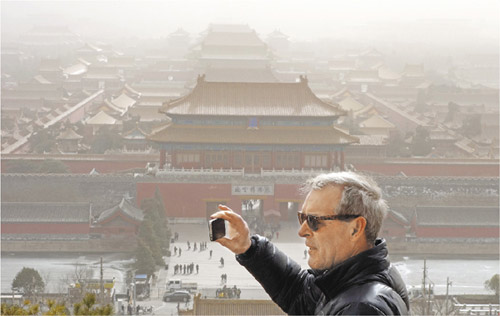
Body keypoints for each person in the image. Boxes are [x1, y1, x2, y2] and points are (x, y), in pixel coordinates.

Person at [212, 171, 409, 315]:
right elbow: (299, 293)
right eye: (302, 218)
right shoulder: (351, 280)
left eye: (314, 221)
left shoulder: (361, 308)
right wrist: (249, 248)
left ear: (355, 228)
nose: (302, 231)